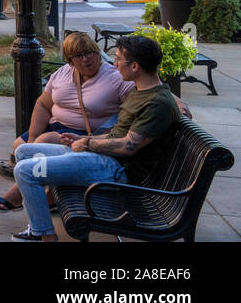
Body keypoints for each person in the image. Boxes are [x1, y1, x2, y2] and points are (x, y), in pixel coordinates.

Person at [10, 34, 185, 242]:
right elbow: (119, 133)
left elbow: (128, 146)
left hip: (115, 170)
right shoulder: (141, 91)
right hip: (103, 158)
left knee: (26, 171)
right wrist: (82, 138)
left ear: (135, 66)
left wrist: (89, 143)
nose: (114, 63)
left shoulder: (157, 103)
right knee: (24, 151)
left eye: (118, 59)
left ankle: (44, 234)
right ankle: (40, 223)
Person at [0, 32, 131, 212]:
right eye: (79, 55)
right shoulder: (62, 73)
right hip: (56, 124)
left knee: (42, 144)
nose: (86, 59)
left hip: (84, 133)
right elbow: (43, 104)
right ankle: (49, 197)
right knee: (20, 145)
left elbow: (135, 105)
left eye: (90, 53)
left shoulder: (114, 77)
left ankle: (19, 196)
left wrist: (102, 136)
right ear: (70, 61)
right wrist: (31, 137)